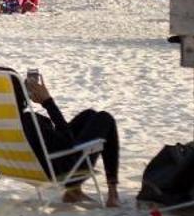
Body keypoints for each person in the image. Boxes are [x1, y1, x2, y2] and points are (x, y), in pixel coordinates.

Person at [12, 68, 121, 206]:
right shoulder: (29, 121)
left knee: (89, 115)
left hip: (25, 168)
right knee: (105, 118)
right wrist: (48, 102)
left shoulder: (2, 123)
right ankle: (112, 193)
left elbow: (55, 139)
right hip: (63, 173)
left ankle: (74, 193)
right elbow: (67, 142)